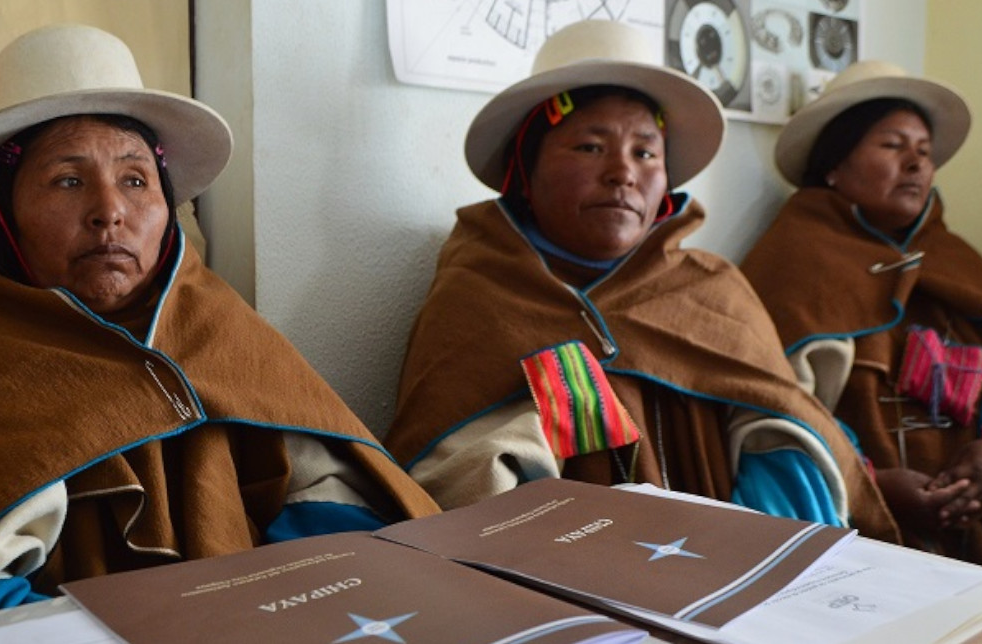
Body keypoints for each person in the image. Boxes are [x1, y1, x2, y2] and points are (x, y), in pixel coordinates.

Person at [0, 24, 439, 631]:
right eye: (68, 181)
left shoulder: (212, 318)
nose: (110, 212)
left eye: (135, 180)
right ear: (1, 210)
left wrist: (299, 596)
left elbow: (331, 494)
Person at [384, 20, 898, 544]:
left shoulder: (709, 286)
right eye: (589, 146)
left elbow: (780, 432)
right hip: (570, 583)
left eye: (646, 152)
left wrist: (747, 548)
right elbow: (457, 479)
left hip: (741, 563)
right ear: (525, 173)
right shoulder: (478, 295)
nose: (622, 172)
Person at [739, 60, 982, 602]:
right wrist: (875, 484)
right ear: (834, 165)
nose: (915, 163)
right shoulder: (789, 263)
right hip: (862, 529)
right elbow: (775, 408)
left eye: (924, 151)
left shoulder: (954, 257)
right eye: (892, 145)